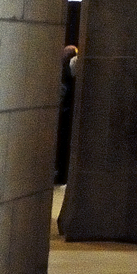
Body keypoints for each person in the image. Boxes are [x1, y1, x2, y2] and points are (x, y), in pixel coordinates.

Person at [55, 44, 79, 186]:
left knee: (61, 144)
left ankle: (59, 173)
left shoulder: (62, 73)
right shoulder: (71, 73)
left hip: (63, 112)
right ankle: (61, 174)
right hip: (67, 113)